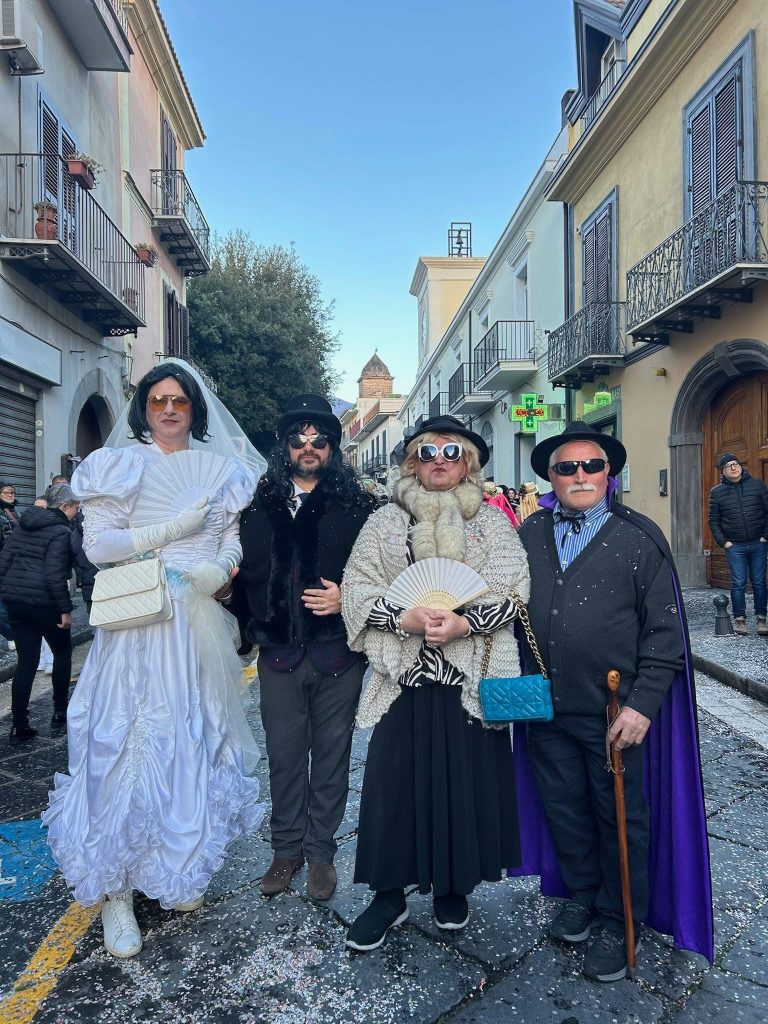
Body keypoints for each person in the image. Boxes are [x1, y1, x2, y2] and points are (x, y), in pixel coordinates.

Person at [43, 359, 267, 960]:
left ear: (195, 408)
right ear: (144, 407)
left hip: (193, 623)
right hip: (135, 622)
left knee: (190, 742)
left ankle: (175, 864)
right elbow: (98, 545)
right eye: (159, 400)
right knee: (121, 743)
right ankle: (113, 891)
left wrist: (219, 566)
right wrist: (170, 528)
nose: (169, 410)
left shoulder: (221, 472)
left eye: (181, 402)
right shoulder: (118, 465)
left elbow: (230, 538)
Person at [514, 421, 712, 982]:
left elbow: (665, 634)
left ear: (609, 473)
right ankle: (582, 893)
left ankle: (616, 914)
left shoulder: (638, 537)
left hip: (612, 713)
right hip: (543, 708)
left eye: (592, 465)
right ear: (550, 477)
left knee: (619, 816)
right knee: (565, 810)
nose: (580, 475)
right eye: (567, 467)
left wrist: (642, 705)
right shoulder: (527, 534)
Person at [341, 414, 529, 952]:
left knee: (466, 782)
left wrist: (466, 622)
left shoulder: (492, 524)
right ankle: (388, 893)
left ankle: (453, 885)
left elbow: (514, 588)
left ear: (468, 462)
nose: (440, 462)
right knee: (391, 786)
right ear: (411, 461)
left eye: (452, 452)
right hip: (404, 678)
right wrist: (406, 618)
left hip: (471, 677)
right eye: (428, 452)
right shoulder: (383, 522)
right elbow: (357, 588)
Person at [233, 395, 375, 902]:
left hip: (338, 655)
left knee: (334, 759)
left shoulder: (361, 509)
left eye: (319, 438)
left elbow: (387, 577)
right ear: (284, 447)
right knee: (284, 757)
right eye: (298, 438)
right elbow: (244, 573)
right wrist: (243, 619)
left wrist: (349, 597)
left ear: (333, 447)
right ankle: (285, 850)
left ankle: (320, 854)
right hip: (277, 655)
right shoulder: (256, 508)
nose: (308, 446)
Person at [0, 482, 78, 739]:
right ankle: (59, 711)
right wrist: (65, 610)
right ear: (64, 506)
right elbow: (55, 575)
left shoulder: (23, 524)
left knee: (27, 661)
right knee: (62, 653)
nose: (76, 512)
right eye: (75, 507)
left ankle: (19, 724)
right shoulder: (61, 532)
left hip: (17, 603)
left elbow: (4, 561)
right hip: (46, 603)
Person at [707, 453, 768, 635]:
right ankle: (740, 619)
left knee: (759, 582)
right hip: (735, 547)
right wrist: (724, 543)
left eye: (735, 464)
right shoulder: (716, 492)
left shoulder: (756, 485)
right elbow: (714, 521)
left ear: (740, 467)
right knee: (739, 583)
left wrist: (765, 536)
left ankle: (761, 618)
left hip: (758, 543)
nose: (733, 467)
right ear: (723, 472)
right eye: (728, 466)